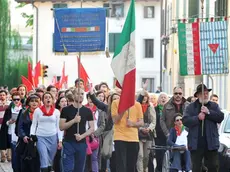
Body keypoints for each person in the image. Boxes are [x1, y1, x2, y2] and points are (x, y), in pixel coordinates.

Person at [182, 84, 224, 172]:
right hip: (196, 143)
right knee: (196, 168)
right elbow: (185, 121)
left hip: (211, 143)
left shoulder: (214, 106)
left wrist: (209, 113)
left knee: (213, 166)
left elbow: (220, 117)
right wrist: (197, 118)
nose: (205, 95)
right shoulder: (191, 107)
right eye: (203, 93)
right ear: (197, 95)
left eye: (206, 93)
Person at [60, 88, 94, 172]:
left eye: (82, 94)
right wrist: (74, 121)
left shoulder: (88, 111)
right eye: (78, 94)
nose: (80, 96)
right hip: (68, 142)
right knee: (68, 169)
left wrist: (82, 136)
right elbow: (61, 126)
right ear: (73, 95)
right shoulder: (65, 110)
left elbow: (92, 128)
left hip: (81, 144)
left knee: (79, 169)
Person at [30, 92, 63, 172]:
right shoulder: (38, 111)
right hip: (40, 137)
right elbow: (34, 124)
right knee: (43, 157)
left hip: (53, 137)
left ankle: (48, 169)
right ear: (43, 100)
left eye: (49, 97)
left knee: (50, 160)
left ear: (52, 100)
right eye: (46, 97)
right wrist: (32, 134)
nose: (48, 99)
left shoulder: (56, 112)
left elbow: (59, 127)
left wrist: (60, 140)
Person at [111, 97, 144, 172]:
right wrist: (124, 108)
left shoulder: (137, 104)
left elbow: (141, 122)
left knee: (131, 166)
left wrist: (133, 124)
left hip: (133, 138)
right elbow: (115, 120)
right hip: (120, 137)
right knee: (121, 165)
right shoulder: (115, 103)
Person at [17, 94, 41, 172]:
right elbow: (20, 127)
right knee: (25, 163)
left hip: (38, 141)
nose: (34, 103)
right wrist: (23, 136)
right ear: (28, 103)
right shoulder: (24, 112)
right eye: (32, 101)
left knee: (37, 163)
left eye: (36, 101)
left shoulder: (42, 113)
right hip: (26, 141)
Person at [0, 91, 22, 169]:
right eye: (14, 99)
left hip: (21, 134)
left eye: (18, 99)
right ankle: (15, 169)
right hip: (11, 133)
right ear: (12, 100)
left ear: (20, 100)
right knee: (14, 154)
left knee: (20, 154)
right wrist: (9, 122)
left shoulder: (23, 109)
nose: (16, 101)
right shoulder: (9, 109)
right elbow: (5, 123)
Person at [136, 91, 156, 172]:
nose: (144, 99)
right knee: (140, 155)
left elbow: (153, 121)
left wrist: (149, 128)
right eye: (142, 97)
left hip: (148, 134)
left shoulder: (150, 106)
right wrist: (141, 128)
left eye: (145, 97)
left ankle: (144, 169)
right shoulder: (136, 106)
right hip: (138, 133)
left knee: (146, 156)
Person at [155, 92, 169, 172]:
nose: (163, 99)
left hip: (167, 135)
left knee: (167, 154)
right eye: (161, 97)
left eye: (165, 97)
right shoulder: (155, 109)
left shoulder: (169, 109)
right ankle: (159, 169)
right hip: (158, 135)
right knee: (159, 155)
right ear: (158, 100)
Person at [53, 96, 68, 172]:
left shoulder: (69, 112)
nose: (64, 103)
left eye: (65, 101)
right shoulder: (56, 112)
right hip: (57, 136)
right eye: (62, 101)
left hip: (67, 136)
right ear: (58, 103)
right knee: (58, 156)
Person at [0, 90, 11, 162]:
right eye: (0, 95)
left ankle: (9, 156)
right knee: (1, 139)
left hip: (8, 124)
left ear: (6, 95)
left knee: (8, 138)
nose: (2, 96)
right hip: (0, 124)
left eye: (3, 95)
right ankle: (3, 156)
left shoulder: (10, 103)